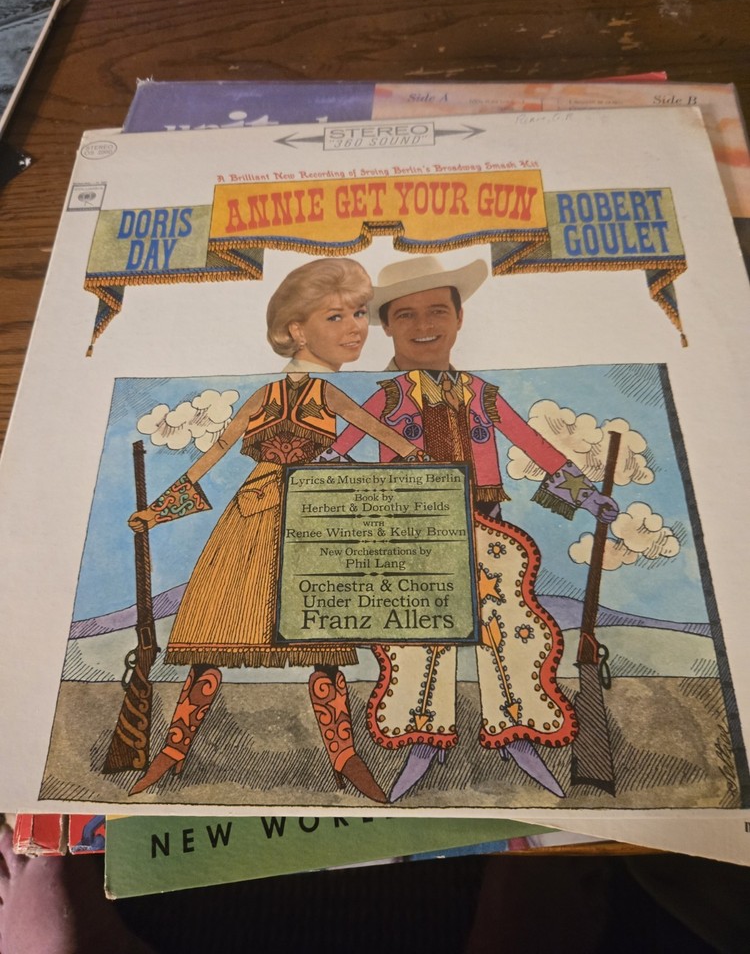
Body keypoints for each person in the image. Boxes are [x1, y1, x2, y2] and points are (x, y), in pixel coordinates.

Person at [322, 254, 619, 801]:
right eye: (405, 314)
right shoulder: (387, 396)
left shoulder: (482, 393)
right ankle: (421, 741)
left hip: (488, 530)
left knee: (509, 630)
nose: (424, 325)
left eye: (437, 310)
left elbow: (533, 445)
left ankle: (518, 734)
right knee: (416, 638)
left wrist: (587, 495)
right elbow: (337, 454)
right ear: (386, 325)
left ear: (459, 319)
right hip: (411, 533)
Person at [127, 257, 422, 803]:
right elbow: (215, 453)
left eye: (360, 313)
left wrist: (431, 475)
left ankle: (345, 759)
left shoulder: (329, 394)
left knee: (324, 643)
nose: (357, 327)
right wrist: (158, 512)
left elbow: (387, 436)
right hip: (252, 517)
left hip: (313, 517)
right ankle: (171, 753)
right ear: (296, 330)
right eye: (336, 316)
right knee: (215, 638)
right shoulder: (263, 396)